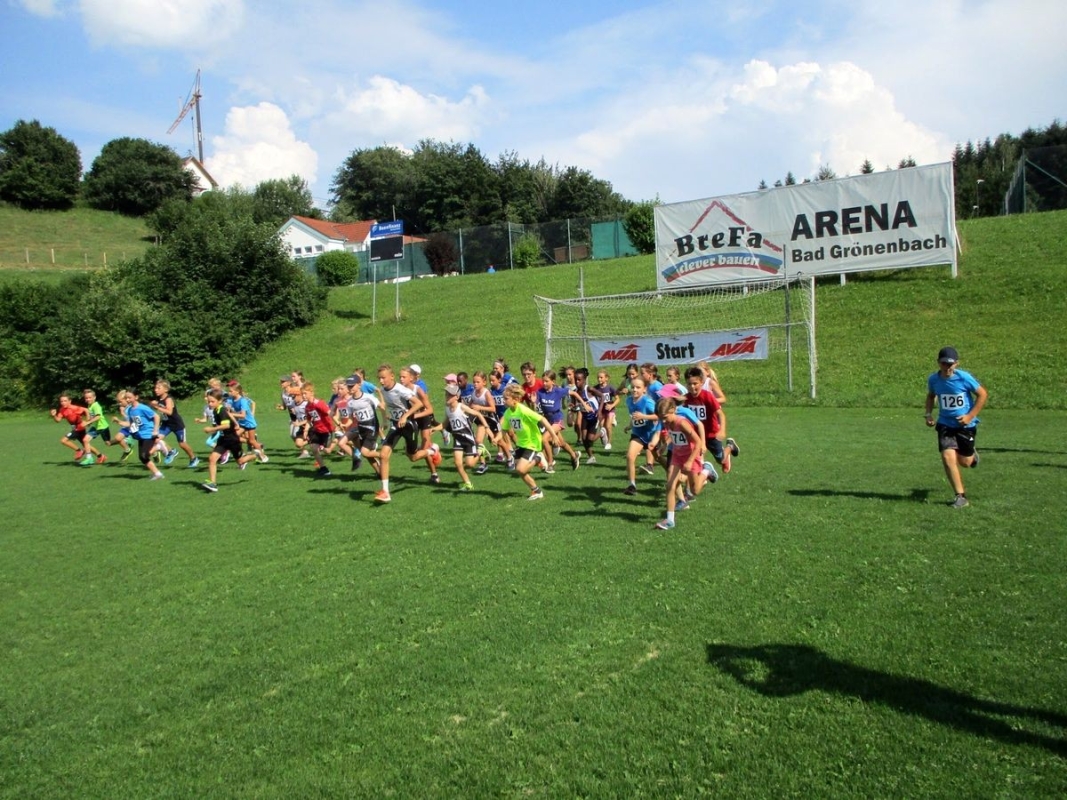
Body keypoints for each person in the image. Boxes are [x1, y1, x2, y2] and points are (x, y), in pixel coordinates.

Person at [925, 346, 988, 508]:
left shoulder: (964, 378)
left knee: (965, 462)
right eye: (944, 363)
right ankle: (960, 496)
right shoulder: (933, 379)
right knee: (947, 458)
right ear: (938, 363)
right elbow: (931, 396)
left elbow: (982, 394)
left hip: (965, 426)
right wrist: (928, 414)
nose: (947, 367)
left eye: (950, 364)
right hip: (945, 424)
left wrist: (969, 416)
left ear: (957, 364)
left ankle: (972, 457)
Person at [374, 363, 440, 503]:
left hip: (409, 425)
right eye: (379, 378)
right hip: (396, 426)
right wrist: (386, 419)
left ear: (391, 376)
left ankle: (432, 450)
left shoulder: (400, 390)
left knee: (413, 457)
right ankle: (385, 492)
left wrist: (405, 416)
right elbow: (385, 405)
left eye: (383, 378)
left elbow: (419, 404)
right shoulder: (383, 390)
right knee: (383, 454)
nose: (381, 381)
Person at [501, 383, 563, 501]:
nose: (504, 401)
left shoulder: (523, 410)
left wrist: (554, 435)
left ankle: (538, 458)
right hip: (521, 444)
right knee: (521, 471)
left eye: (506, 399)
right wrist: (498, 438)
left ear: (515, 399)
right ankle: (536, 491)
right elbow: (504, 430)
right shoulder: (508, 412)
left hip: (532, 443)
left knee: (520, 469)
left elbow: (542, 419)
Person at [653, 396, 705, 530]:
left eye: (665, 417)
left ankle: (706, 471)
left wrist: (689, 460)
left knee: (695, 490)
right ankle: (670, 520)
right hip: (677, 455)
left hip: (690, 455)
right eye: (661, 418)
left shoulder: (682, 423)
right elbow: (673, 434)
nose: (663, 420)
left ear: (673, 410)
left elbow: (698, 441)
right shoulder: (667, 422)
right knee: (670, 486)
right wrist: (665, 445)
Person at [200, 388, 257, 491]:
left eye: (212, 401)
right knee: (212, 459)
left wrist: (211, 429)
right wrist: (235, 424)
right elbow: (230, 418)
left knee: (240, 461)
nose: (210, 404)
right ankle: (213, 483)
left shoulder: (221, 410)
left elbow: (226, 426)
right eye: (209, 401)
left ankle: (256, 455)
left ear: (219, 401)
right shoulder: (216, 410)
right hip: (223, 440)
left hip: (232, 441)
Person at [442, 382, 491, 490]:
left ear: (457, 397)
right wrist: (434, 428)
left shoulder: (461, 407)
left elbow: (477, 414)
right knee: (458, 463)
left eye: (450, 395)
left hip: (468, 438)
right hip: (457, 439)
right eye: (446, 394)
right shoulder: (447, 409)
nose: (447, 397)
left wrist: (486, 427)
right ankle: (468, 484)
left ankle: (480, 451)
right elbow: (444, 424)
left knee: (470, 464)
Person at [535, 369, 581, 471]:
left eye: (547, 381)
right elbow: (535, 404)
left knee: (544, 439)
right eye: (543, 381)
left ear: (553, 382)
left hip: (557, 419)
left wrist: (584, 404)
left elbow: (574, 393)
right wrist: (534, 401)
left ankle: (550, 463)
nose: (544, 383)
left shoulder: (558, 391)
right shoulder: (540, 392)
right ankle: (574, 455)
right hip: (547, 420)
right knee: (560, 442)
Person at [622, 377, 662, 495]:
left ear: (644, 389)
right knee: (630, 456)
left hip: (652, 435)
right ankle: (632, 485)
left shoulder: (648, 402)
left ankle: (673, 476)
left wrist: (644, 417)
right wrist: (629, 426)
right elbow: (634, 416)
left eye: (638, 387)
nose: (634, 390)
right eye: (632, 387)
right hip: (638, 434)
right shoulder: (629, 400)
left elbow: (659, 416)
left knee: (660, 459)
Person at [151, 380, 199, 468]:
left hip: (177, 424)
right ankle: (171, 451)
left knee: (182, 444)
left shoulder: (169, 399)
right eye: (155, 388)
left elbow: (169, 412)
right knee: (156, 439)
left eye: (158, 388)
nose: (156, 390)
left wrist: (157, 406)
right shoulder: (159, 399)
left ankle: (193, 458)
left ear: (166, 389)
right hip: (166, 424)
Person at [124, 388, 166, 480]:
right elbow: (133, 422)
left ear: (136, 397)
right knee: (142, 458)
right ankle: (158, 474)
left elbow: (156, 416)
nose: (127, 400)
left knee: (144, 455)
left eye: (129, 398)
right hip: (140, 435)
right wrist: (132, 430)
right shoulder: (130, 410)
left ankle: (158, 446)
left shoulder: (143, 408)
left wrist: (155, 431)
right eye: (126, 398)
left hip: (148, 434)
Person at [301, 382, 336, 477]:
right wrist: (305, 431)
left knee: (327, 451)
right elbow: (309, 420)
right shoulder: (307, 407)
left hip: (327, 430)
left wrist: (338, 424)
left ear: (311, 393)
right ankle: (324, 469)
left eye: (305, 393)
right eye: (302, 394)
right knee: (314, 448)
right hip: (317, 430)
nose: (303, 396)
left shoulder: (319, 403)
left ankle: (338, 440)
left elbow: (330, 413)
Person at [228, 382, 267, 463]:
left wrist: (231, 414)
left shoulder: (243, 401)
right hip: (242, 424)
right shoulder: (231, 399)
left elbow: (243, 415)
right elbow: (228, 408)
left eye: (231, 391)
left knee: (252, 441)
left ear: (237, 391)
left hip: (249, 423)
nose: (229, 393)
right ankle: (259, 445)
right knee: (233, 437)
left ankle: (263, 455)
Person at [50, 394, 92, 463]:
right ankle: (100, 456)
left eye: (65, 401)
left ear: (70, 401)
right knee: (85, 444)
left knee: (64, 440)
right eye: (62, 401)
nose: (63, 403)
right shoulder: (62, 410)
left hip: (79, 427)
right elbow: (58, 420)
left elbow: (86, 410)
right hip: (75, 428)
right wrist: (54, 415)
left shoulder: (74, 408)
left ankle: (79, 451)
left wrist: (88, 421)